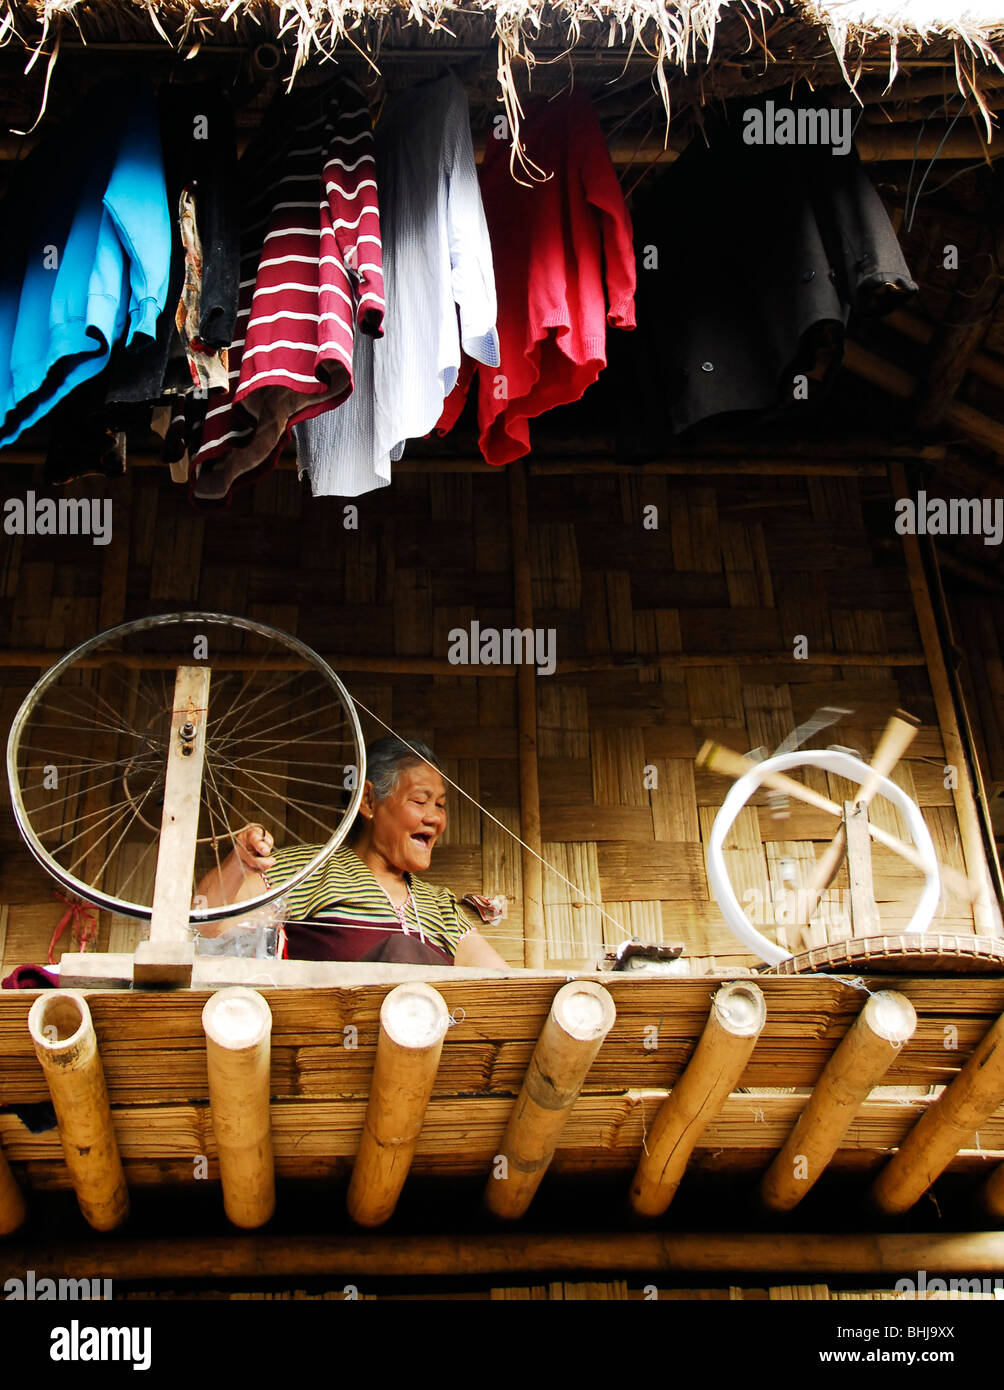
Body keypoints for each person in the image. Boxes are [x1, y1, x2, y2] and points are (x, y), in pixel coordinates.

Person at [195, 736, 510, 968]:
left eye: (440, 805)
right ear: (369, 801)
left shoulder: (441, 906)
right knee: (401, 952)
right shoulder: (313, 869)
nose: (436, 818)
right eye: (420, 801)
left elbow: (501, 990)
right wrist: (240, 863)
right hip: (331, 1043)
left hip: (431, 1052)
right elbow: (209, 927)